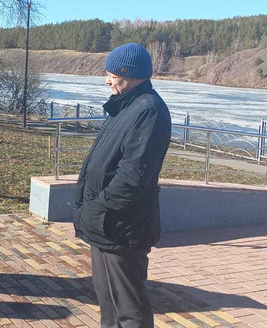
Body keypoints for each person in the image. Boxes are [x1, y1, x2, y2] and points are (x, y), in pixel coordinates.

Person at [73, 43, 172, 328]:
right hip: (105, 225)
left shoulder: (149, 111)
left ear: (129, 73)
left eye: (112, 73)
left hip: (122, 228)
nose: (107, 79)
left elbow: (133, 178)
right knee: (109, 307)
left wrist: (95, 208)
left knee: (129, 310)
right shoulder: (125, 106)